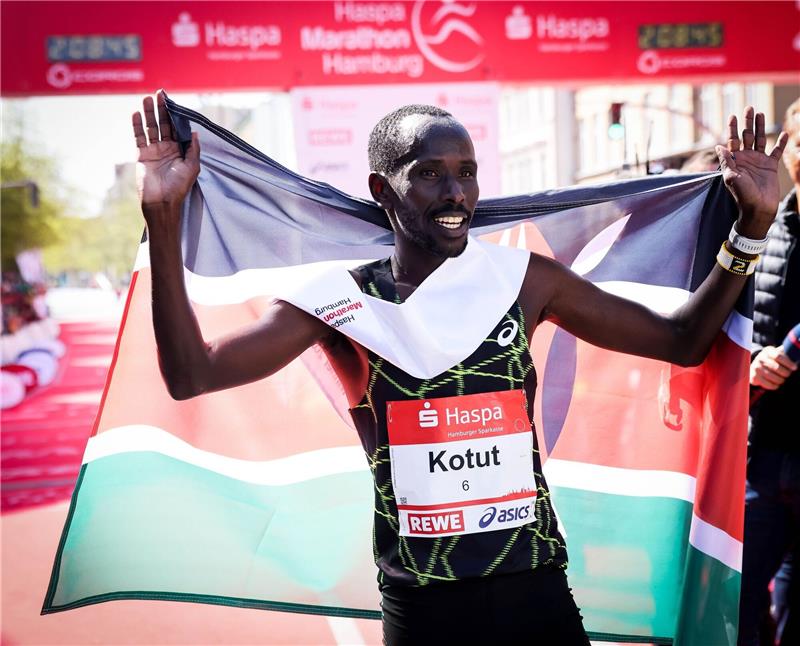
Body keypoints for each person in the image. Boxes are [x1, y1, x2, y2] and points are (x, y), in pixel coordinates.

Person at [133, 90, 787, 645]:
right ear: (380, 188)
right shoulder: (341, 302)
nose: (455, 193)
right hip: (425, 608)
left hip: (536, 590)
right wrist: (163, 219)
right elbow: (193, 374)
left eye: (467, 172)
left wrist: (750, 230)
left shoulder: (525, 281)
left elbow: (682, 340)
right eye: (429, 173)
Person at [739, 97, 800, 646]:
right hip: (763, 458)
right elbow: (726, 333)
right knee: (732, 603)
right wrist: (753, 366)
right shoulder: (762, 232)